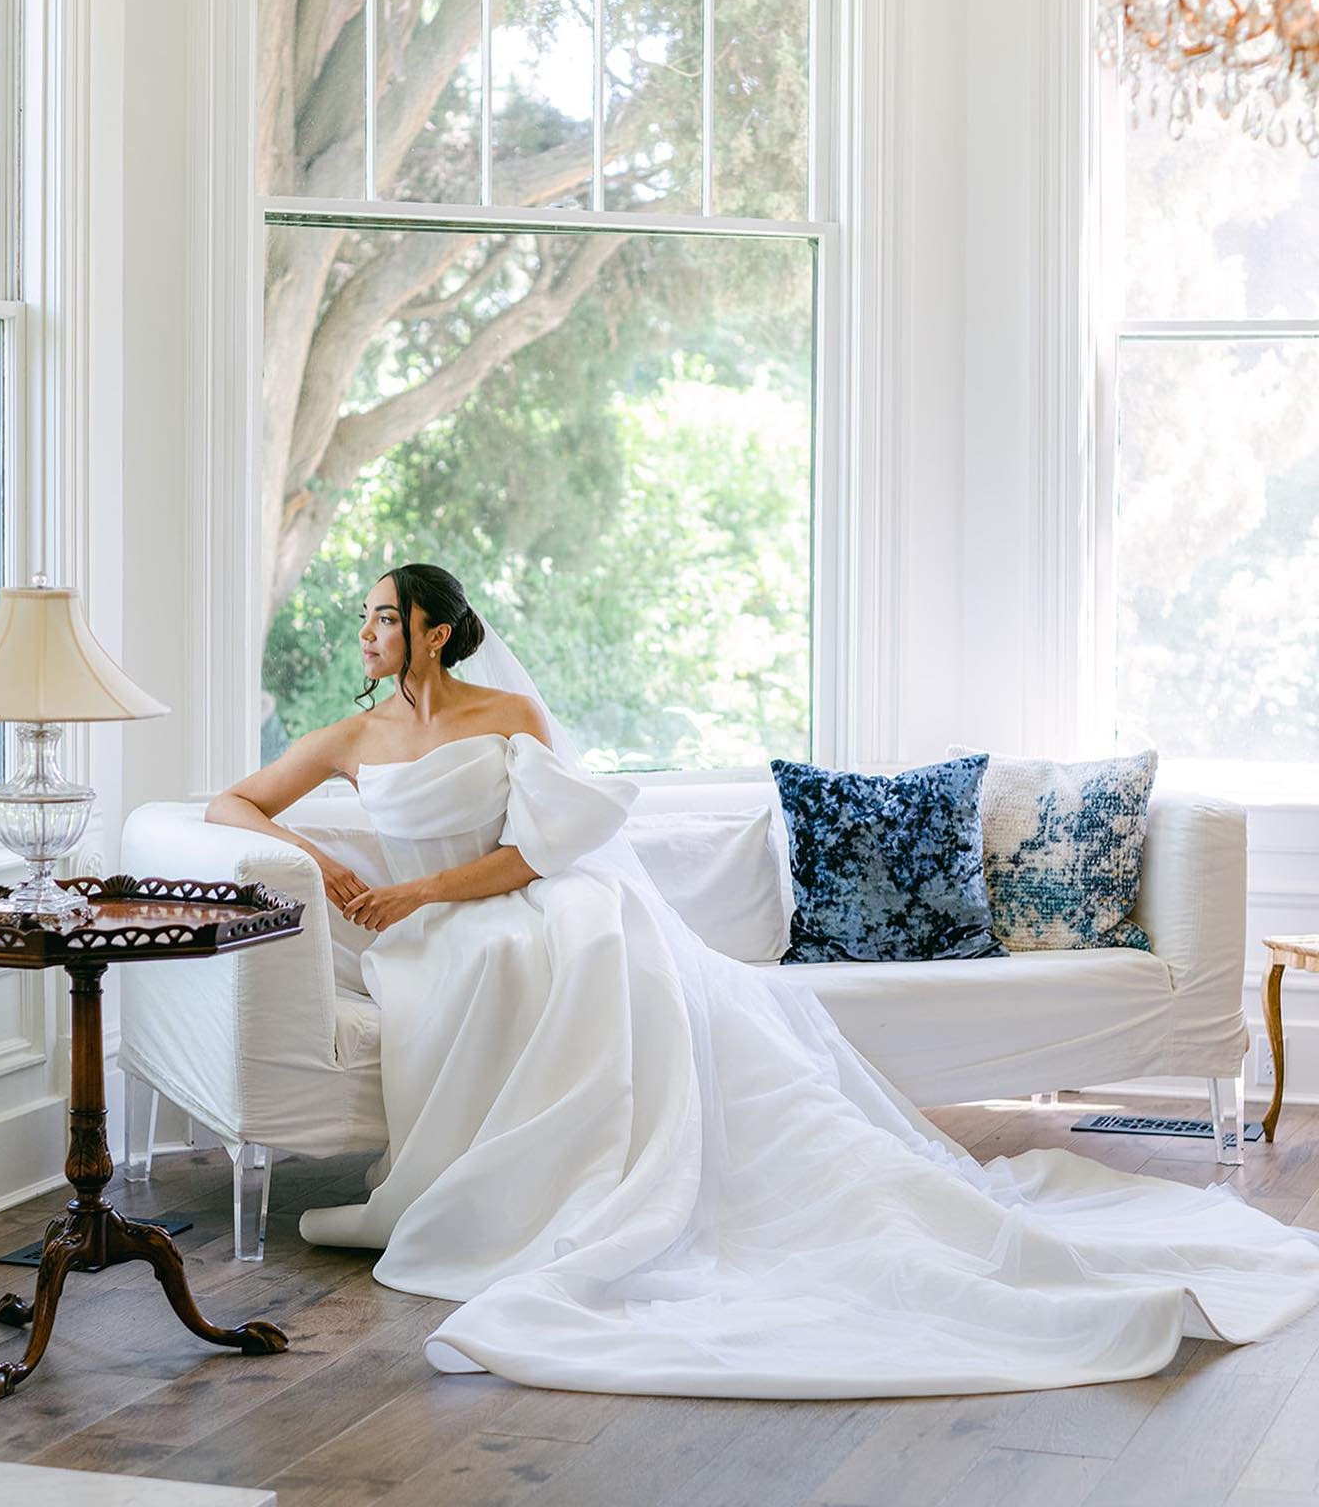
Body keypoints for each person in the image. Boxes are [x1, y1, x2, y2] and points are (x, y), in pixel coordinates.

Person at [207, 562, 1319, 1400]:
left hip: (510, 896)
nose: (365, 631)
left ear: (435, 631)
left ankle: (606, 1182)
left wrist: (425, 890)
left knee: (584, 934)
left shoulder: (509, 718)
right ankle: (526, 1185)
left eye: (383, 615)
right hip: (428, 931)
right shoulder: (350, 735)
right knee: (497, 957)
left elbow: (540, 851)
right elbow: (234, 806)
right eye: (364, 617)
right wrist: (338, 863)